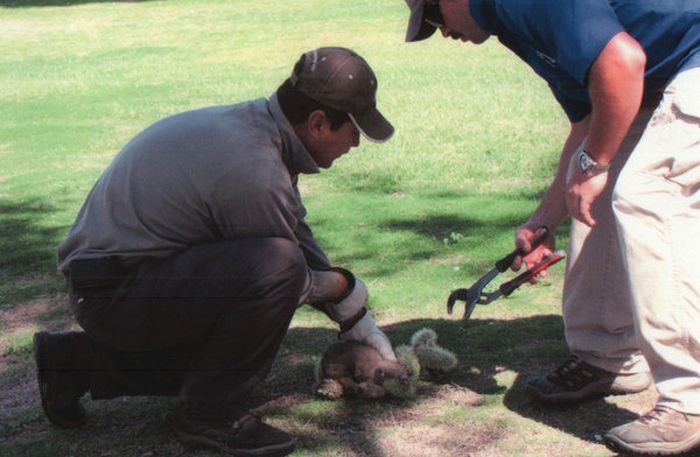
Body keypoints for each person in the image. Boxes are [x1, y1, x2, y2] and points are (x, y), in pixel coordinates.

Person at [33, 46, 396, 457]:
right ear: (317, 123)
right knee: (276, 275)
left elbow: (293, 229)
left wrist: (356, 319)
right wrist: (343, 285)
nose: (356, 144)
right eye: (354, 130)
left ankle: (73, 363)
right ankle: (209, 416)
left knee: (223, 351)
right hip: (114, 294)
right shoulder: (255, 168)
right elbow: (285, 274)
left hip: (115, 283)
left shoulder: (258, 132)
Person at [403, 0, 700, 454]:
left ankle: (689, 401)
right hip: (659, 75)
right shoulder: (508, 25)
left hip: (689, 59)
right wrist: (543, 219)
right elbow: (588, 118)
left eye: (434, 16)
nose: (440, 31)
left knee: (647, 194)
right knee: (596, 188)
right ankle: (608, 356)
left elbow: (623, 63)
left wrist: (594, 164)